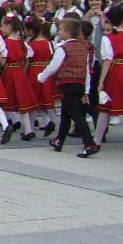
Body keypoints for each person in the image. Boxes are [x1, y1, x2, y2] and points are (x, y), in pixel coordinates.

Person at [38, 17, 95, 157]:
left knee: (76, 114)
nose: (58, 31)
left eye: (60, 29)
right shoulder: (83, 48)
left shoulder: (62, 48)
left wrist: (41, 77)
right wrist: (86, 89)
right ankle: (59, 140)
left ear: (68, 33)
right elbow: (87, 70)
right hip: (80, 84)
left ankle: (89, 143)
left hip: (67, 84)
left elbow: (53, 67)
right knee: (65, 113)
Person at [93, 7, 123, 149]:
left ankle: (96, 141)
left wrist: (101, 81)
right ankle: (96, 141)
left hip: (117, 72)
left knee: (105, 106)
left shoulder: (108, 38)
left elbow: (107, 60)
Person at [0, 13, 38, 143]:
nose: (1, 28)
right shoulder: (22, 43)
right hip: (19, 72)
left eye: (3, 25)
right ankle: (29, 130)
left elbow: (2, 61)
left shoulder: (5, 43)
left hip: (9, 72)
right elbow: (27, 59)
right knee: (23, 103)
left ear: (10, 26)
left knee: (0, 100)